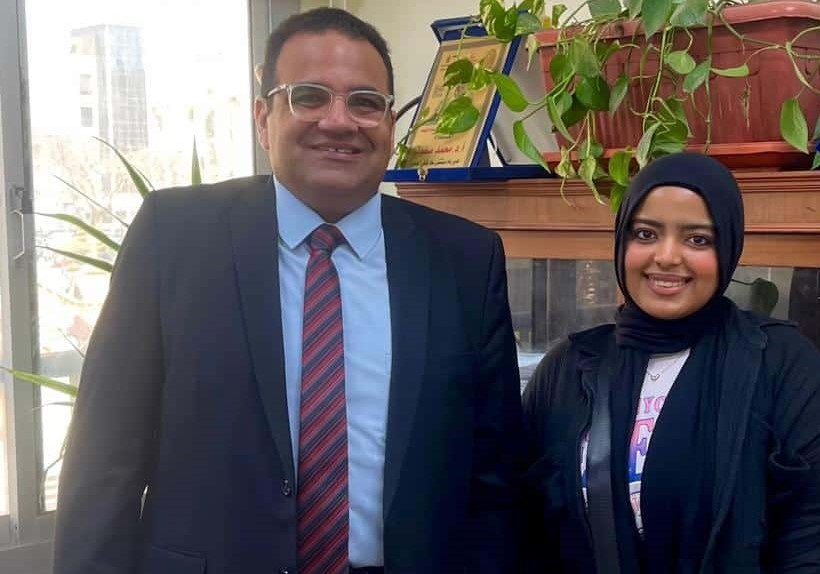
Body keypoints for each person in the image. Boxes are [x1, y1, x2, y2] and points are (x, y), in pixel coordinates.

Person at [52, 8, 522, 574]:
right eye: (310, 96)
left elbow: (494, 483)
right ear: (263, 118)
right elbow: (104, 464)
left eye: (365, 102)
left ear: (390, 124)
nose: (339, 121)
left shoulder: (465, 260)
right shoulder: (172, 238)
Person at [520, 152, 820, 572]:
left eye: (698, 240)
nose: (668, 256)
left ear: (727, 248)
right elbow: (521, 524)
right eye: (645, 233)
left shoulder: (781, 365)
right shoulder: (569, 367)